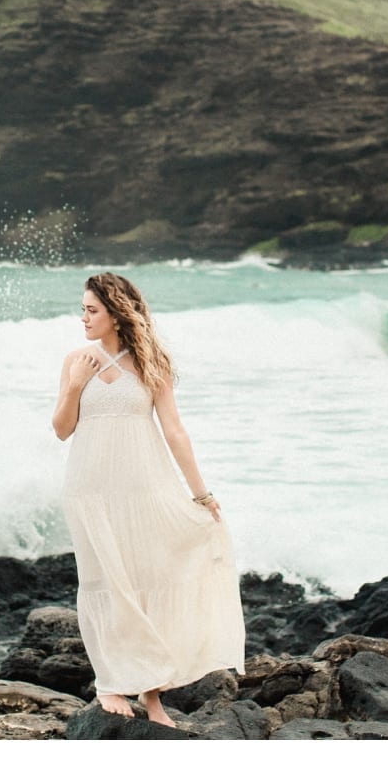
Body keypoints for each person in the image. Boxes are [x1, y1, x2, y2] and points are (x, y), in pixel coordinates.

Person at [51, 272, 245, 728]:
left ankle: (152, 695)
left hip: (144, 487)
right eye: (82, 309)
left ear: (116, 313)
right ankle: (110, 683)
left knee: (148, 580)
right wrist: (77, 384)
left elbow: (174, 430)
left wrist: (202, 493)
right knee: (103, 581)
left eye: (91, 310)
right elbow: (61, 429)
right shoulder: (76, 360)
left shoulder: (151, 361)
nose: (83, 317)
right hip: (90, 489)